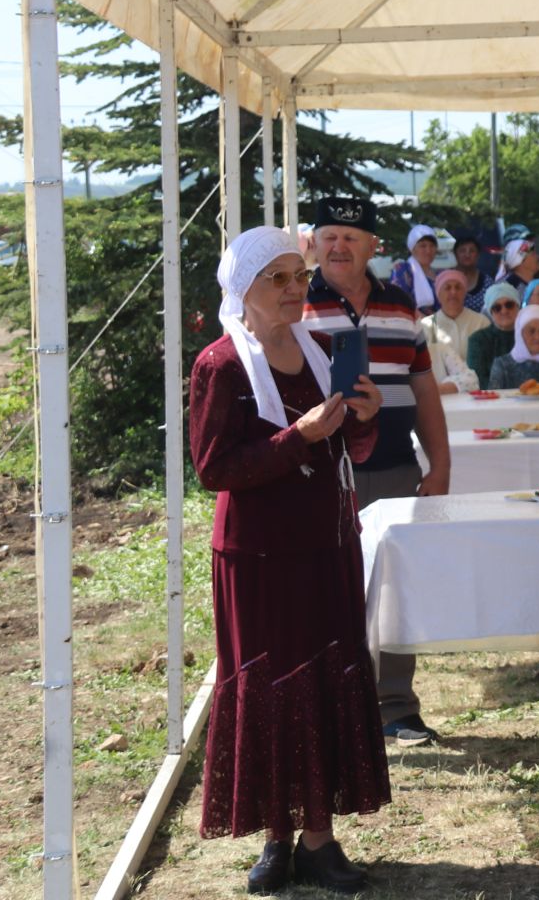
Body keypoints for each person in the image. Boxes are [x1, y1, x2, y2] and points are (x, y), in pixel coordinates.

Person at [190, 227, 390, 893]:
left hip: (326, 542)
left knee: (326, 680)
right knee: (275, 685)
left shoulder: (324, 348)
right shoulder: (220, 364)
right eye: (277, 279)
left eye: (298, 277)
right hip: (258, 556)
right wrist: (295, 438)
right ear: (242, 288)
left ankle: (320, 838)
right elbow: (214, 468)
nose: (293, 290)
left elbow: (352, 446)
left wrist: (363, 417)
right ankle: (277, 837)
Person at [300, 197, 449, 747]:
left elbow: (424, 389)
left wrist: (441, 464)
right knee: (324, 586)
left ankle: (396, 707)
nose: (338, 246)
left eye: (350, 237)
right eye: (328, 236)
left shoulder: (402, 305)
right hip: (319, 474)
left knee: (397, 588)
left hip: (394, 469)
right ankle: (330, 703)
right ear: (314, 243)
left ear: (372, 247)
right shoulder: (297, 300)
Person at [421, 267, 488, 395]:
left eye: (458, 287)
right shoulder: (427, 325)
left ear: (465, 292)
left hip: (477, 394)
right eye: (447, 288)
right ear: (438, 294)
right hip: (440, 395)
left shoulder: (481, 322)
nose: (453, 292)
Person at [465, 283, 521, 389]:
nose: (504, 311)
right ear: (491, 312)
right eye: (497, 308)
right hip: (491, 400)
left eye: (509, 305)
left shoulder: (529, 335)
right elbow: (478, 379)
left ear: (518, 306)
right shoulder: (478, 340)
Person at [387, 224, 441, 316]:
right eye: (423, 246)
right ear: (412, 249)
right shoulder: (402, 270)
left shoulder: (440, 274)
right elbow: (398, 304)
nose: (428, 251)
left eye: (432, 246)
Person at [451, 230, 494, 313]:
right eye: (462, 251)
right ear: (455, 254)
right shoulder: (445, 280)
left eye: (472, 251)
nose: (467, 255)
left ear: (478, 255)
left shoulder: (487, 283)